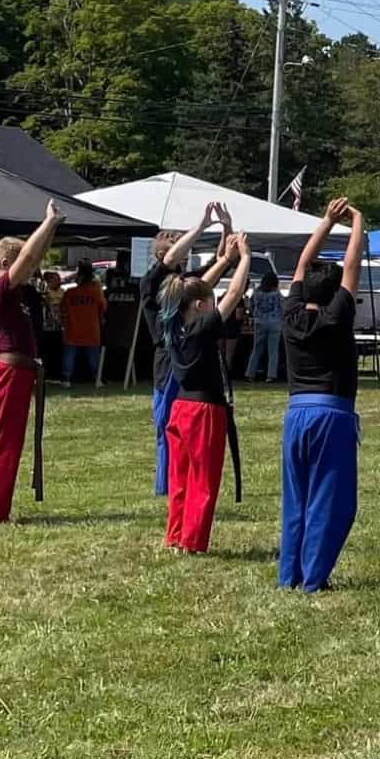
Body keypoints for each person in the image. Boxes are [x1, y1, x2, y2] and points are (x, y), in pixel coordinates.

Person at [279, 198, 367, 592]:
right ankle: (314, 578)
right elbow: (352, 266)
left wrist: (327, 222)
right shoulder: (337, 316)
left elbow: (302, 263)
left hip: (296, 413)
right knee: (330, 500)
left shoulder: (291, 314)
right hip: (332, 414)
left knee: (296, 497)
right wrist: (358, 221)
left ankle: (289, 575)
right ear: (334, 294)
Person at [163, 232, 254, 554]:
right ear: (201, 306)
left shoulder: (172, 325)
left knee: (180, 477)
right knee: (204, 478)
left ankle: (175, 535)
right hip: (205, 411)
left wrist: (225, 260)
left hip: (180, 407)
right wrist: (244, 258)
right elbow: (235, 292)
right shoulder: (202, 327)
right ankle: (192, 540)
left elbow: (196, 290)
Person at [0, 201, 64, 524]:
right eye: (19, 266)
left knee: (12, 443)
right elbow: (29, 256)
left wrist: (52, 228)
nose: (29, 271)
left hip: (19, 372)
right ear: (4, 263)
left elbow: (34, 256)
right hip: (8, 372)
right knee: (3, 443)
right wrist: (48, 221)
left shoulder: (17, 294)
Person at [143, 204, 232, 497]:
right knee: (166, 426)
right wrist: (202, 225)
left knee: (185, 427)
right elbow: (171, 258)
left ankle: (181, 480)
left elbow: (219, 264)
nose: (183, 252)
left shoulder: (185, 284)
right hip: (167, 364)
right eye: (178, 245)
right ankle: (165, 484)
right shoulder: (151, 284)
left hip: (189, 358)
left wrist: (226, 228)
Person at [60, 265, 107, 388]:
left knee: (69, 355)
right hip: (91, 329)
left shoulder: (69, 293)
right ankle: (97, 378)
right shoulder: (96, 293)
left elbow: (62, 309)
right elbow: (103, 308)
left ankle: (66, 379)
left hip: (73, 328)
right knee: (93, 356)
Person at [246, 272, 284, 382]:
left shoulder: (256, 293)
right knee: (273, 350)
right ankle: (271, 375)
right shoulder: (277, 294)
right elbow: (282, 307)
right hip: (275, 322)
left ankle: (250, 374)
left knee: (256, 349)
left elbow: (251, 306)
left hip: (259, 322)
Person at [38, 271, 65, 372]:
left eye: (59, 279)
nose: (59, 281)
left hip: (60, 325)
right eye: (56, 279)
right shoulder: (45, 293)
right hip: (48, 326)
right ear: (49, 281)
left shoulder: (63, 292)